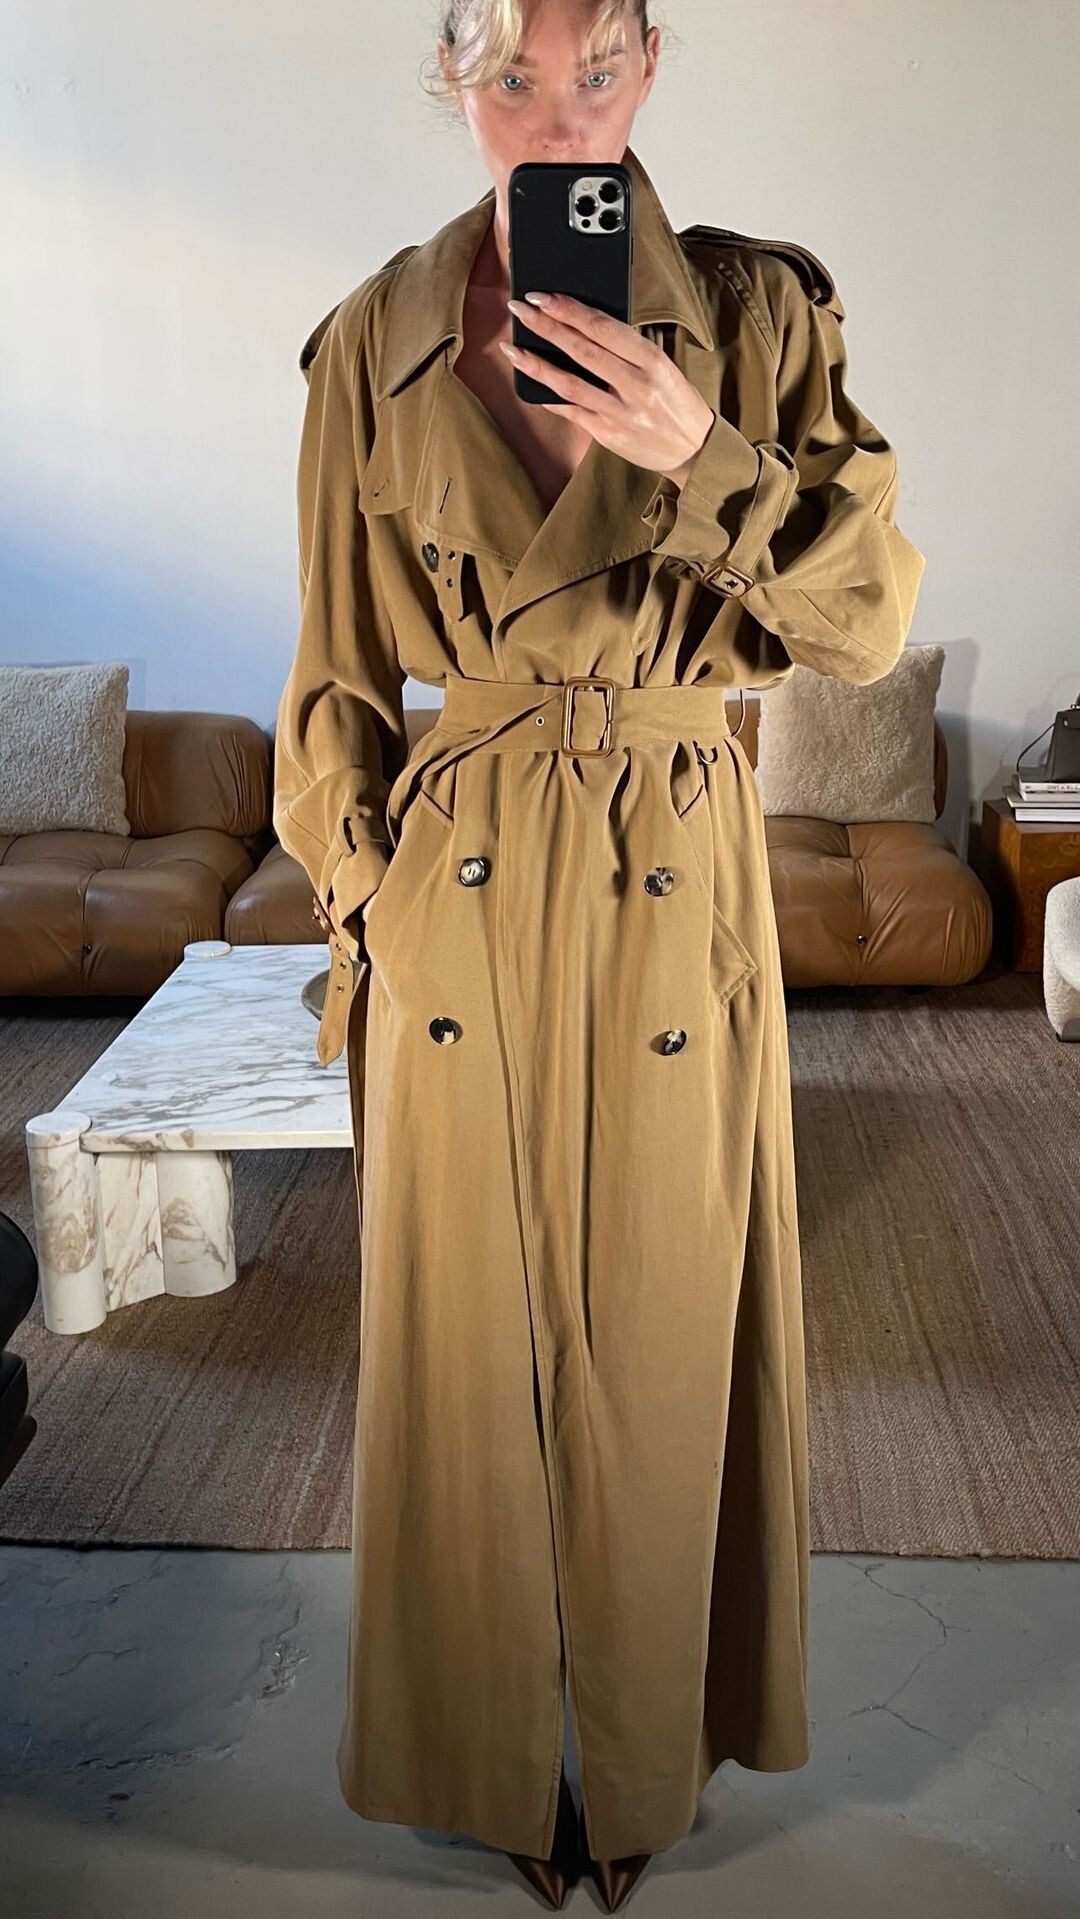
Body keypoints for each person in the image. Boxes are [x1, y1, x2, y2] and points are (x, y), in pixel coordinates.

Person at [272, 0, 927, 1909]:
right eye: (512, 79)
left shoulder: (758, 314)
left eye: (599, 71)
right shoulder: (373, 338)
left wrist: (703, 453)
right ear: (452, 80)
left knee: (659, 1331)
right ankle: (483, 1764)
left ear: (652, 65)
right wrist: (370, 900)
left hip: (671, 859)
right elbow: (329, 678)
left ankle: (639, 1771)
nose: (558, 121)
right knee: (463, 1358)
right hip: (456, 879)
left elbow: (867, 623)